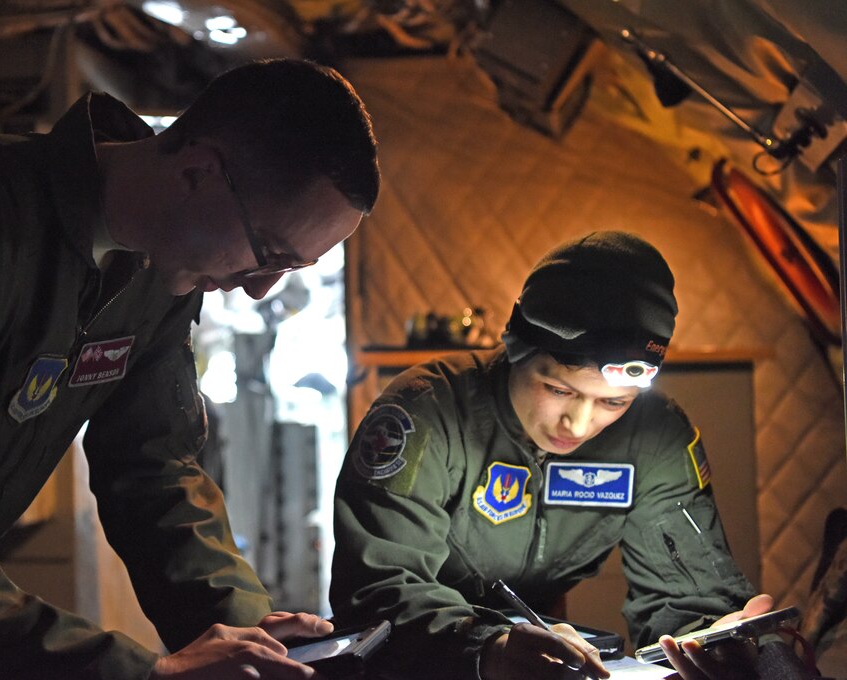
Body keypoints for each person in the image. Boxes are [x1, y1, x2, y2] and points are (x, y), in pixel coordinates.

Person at [0, 58, 379, 679]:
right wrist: (143, 675)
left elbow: (153, 467)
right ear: (197, 170)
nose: (259, 291)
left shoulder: (162, 270)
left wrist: (245, 631)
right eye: (267, 254)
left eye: (289, 270)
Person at [330, 231, 775, 680]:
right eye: (558, 389)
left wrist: (714, 636)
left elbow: (690, 597)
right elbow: (377, 590)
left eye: (613, 403)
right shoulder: (426, 411)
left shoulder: (654, 436)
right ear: (515, 349)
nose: (579, 425)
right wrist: (487, 647)